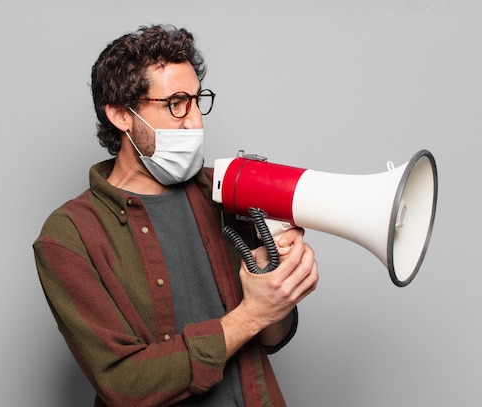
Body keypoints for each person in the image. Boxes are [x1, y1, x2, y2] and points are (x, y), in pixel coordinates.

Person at [33, 24, 319, 407]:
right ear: (121, 114)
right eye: (176, 103)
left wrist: (278, 290)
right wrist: (250, 315)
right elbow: (125, 384)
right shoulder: (70, 236)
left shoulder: (227, 193)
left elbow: (273, 337)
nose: (195, 120)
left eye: (198, 100)